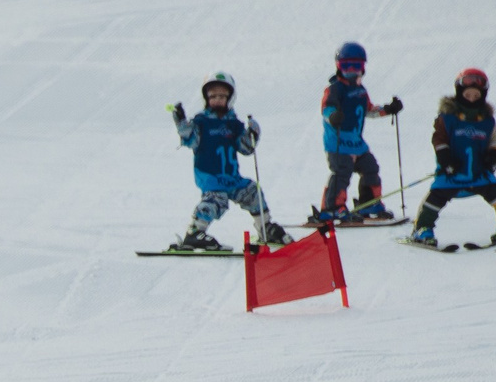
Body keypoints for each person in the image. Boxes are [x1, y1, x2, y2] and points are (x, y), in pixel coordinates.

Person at [404, 70, 496, 248]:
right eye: (468, 94)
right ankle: (422, 229)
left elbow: (494, 142)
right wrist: (446, 160)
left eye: (476, 95)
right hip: (451, 173)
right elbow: (439, 139)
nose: (471, 98)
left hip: (478, 173)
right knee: (433, 200)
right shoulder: (447, 118)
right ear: (459, 93)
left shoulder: (487, 121)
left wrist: (493, 157)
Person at [167, 72, 287, 252]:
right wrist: (182, 123)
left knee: (252, 191)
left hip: (231, 177)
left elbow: (246, 149)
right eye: (212, 96)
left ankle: (265, 228)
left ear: (230, 98)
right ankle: (194, 232)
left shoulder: (234, 124)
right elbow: (191, 139)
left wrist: (253, 135)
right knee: (217, 199)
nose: (217, 100)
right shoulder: (201, 122)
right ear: (206, 98)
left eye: (222, 96)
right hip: (211, 176)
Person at [310, 43, 400, 225]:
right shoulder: (334, 89)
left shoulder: (360, 90)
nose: (351, 71)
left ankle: (369, 203)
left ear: (363, 68)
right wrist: (333, 116)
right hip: (337, 143)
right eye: (346, 67)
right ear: (338, 67)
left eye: (356, 67)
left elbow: (369, 110)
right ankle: (332, 208)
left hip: (356, 143)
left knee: (370, 167)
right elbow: (326, 108)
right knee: (342, 171)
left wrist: (388, 109)